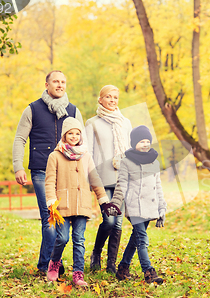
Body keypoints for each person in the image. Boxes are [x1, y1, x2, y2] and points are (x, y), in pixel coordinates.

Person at [12, 70, 85, 275]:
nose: (60, 85)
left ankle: (53, 262)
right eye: (55, 81)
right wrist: (18, 165)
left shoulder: (73, 111)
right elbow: (20, 139)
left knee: (63, 218)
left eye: (63, 81)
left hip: (68, 172)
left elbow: (83, 142)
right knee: (50, 217)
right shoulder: (32, 109)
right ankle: (46, 265)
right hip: (41, 171)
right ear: (47, 84)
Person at [44, 117, 120, 286]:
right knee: (62, 238)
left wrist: (104, 201)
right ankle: (54, 262)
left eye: (77, 133)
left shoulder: (86, 156)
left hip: (82, 204)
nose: (74, 136)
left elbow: (95, 179)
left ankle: (78, 273)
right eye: (70, 133)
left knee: (79, 239)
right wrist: (51, 201)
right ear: (64, 135)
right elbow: (49, 181)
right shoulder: (54, 156)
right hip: (62, 205)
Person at [108, 125, 166, 284]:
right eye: (141, 141)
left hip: (150, 206)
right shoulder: (126, 162)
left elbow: (158, 187)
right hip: (135, 206)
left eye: (148, 141)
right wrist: (116, 204)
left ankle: (123, 268)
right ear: (134, 143)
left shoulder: (154, 162)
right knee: (142, 238)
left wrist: (162, 208)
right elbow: (121, 185)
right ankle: (148, 271)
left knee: (135, 238)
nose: (145, 144)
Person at [85, 85, 133, 274]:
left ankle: (111, 265)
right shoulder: (92, 123)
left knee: (119, 223)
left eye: (115, 97)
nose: (112, 100)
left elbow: (130, 150)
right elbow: (87, 153)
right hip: (102, 179)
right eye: (108, 97)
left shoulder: (125, 122)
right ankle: (96, 252)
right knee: (110, 222)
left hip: (122, 178)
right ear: (100, 99)